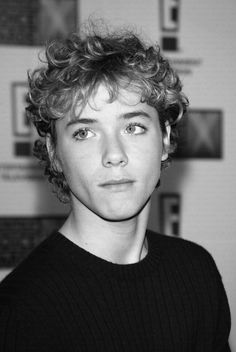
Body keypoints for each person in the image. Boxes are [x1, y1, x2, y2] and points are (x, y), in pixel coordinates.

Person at [0, 24, 231, 351]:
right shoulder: (19, 314)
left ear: (164, 139)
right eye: (84, 133)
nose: (114, 155)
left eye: (133, 127)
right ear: (55, 154)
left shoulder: (196, 272)